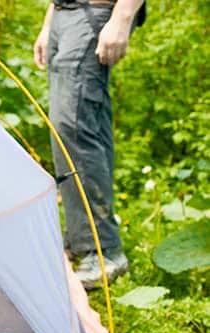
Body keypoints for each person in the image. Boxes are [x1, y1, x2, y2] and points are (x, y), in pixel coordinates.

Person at [33, 0, 146, 289]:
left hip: (95, 12)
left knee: (74, 124)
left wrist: (122, 17)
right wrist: (50, 22)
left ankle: (102, 251)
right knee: (79, 124)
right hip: (65, 13)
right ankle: (83, 242)